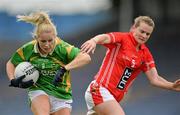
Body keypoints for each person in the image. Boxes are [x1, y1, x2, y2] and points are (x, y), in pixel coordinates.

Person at [80, 16, 180, 115]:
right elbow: (105, 37)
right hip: (99, 90)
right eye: (142, 31)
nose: (144, 36)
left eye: (148, 34)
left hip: (112, 98)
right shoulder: (122, 39)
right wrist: (94, 41)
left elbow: (155, 78)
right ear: (133, 28)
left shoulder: (145, 54)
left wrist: (171, 86)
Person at [6, 11, 91, 115]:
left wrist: (65, 68)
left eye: (50, 40)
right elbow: (11, 63)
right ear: (36, 38)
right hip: (38, 90)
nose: (47, 45)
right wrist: (12, 79)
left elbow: (86, 57)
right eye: (43, 41)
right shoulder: (28, 49)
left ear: (55, 36)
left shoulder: (63, 48)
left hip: (61, 94)